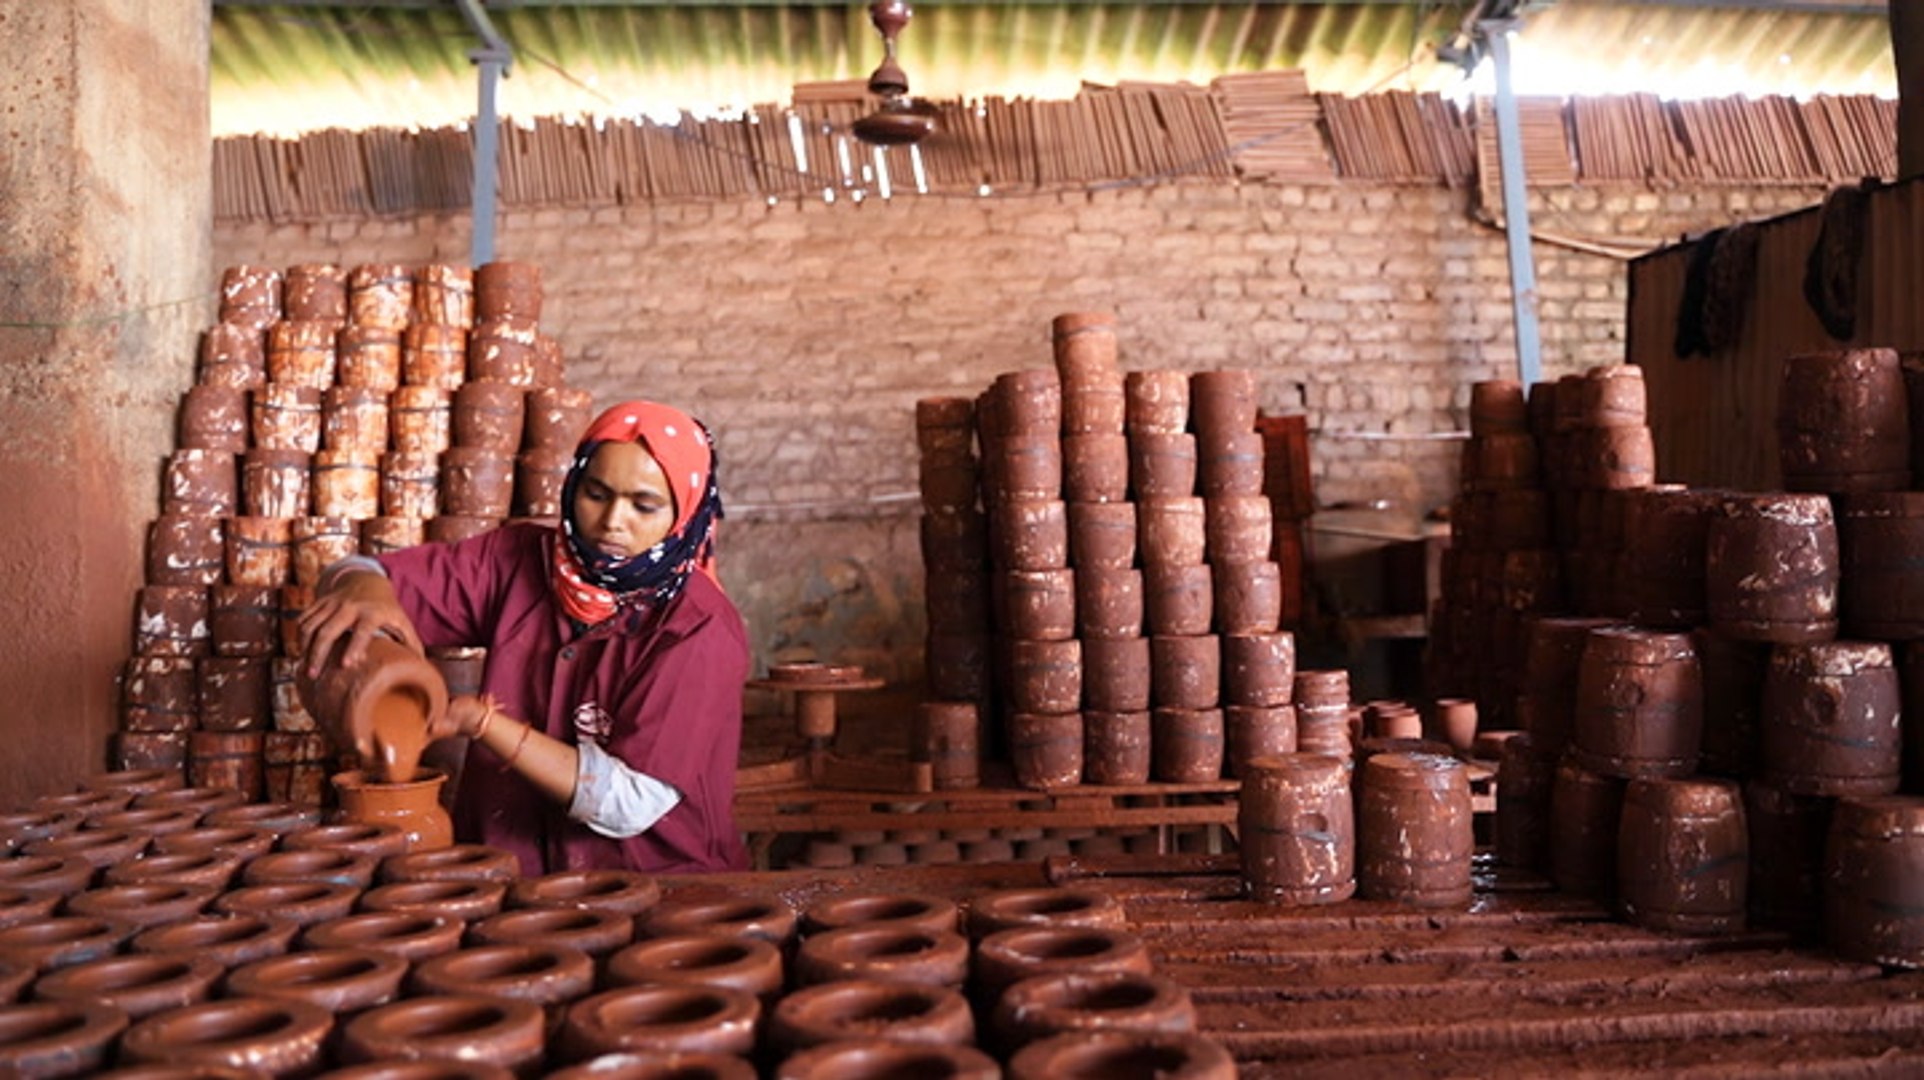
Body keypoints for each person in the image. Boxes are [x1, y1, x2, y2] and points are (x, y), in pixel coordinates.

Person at [299, 400, 749, 874]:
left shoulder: (697, 627)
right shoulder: (517, 560)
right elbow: (358, 570)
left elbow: (629, 803)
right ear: (573, 484)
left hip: (653, 889)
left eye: (644, 505)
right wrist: (363, 590)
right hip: (509, 879)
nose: (613, 520)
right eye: (596, 493)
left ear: (685, 513)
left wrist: (486, 725)